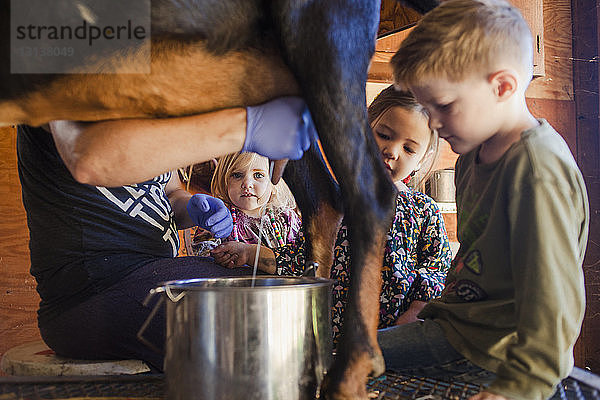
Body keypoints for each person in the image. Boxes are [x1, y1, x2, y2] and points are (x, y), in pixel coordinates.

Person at [377, 1, 590, 399]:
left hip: (494, 353)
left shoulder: (537, 169)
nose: (435, 125)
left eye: (444, 107)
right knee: (345, 358)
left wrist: (521, 386)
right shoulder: (469, 158)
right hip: (452, 330)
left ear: (503, 86)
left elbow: (554, 301)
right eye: (428, 109)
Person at [17, 96, 315, 372]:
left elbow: (169, 190)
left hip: (154, 272)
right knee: (247, 320)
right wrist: (246, 126)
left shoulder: (149, 95)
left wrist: (193, 207)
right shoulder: (64, 60)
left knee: (289, 302)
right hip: (92, 291)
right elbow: (88, 158)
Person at [212, 85, 453, 344]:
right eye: (383, 135)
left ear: (423, 159)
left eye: (409, 149)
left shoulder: (424, 211)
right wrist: (249, 253)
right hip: (334, 340)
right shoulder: (335, 204)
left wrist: (415, 313)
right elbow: (301, 259)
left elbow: (437, 272)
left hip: (393, 340)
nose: (392, 151)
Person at [189, 151, 301, 257]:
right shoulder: (219, 216)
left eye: (258, 175)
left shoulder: (287, 218)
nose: (247, 184)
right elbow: (202, 254)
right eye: (237, 175)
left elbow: (299, 256)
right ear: (225, 182)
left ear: (274, 185)